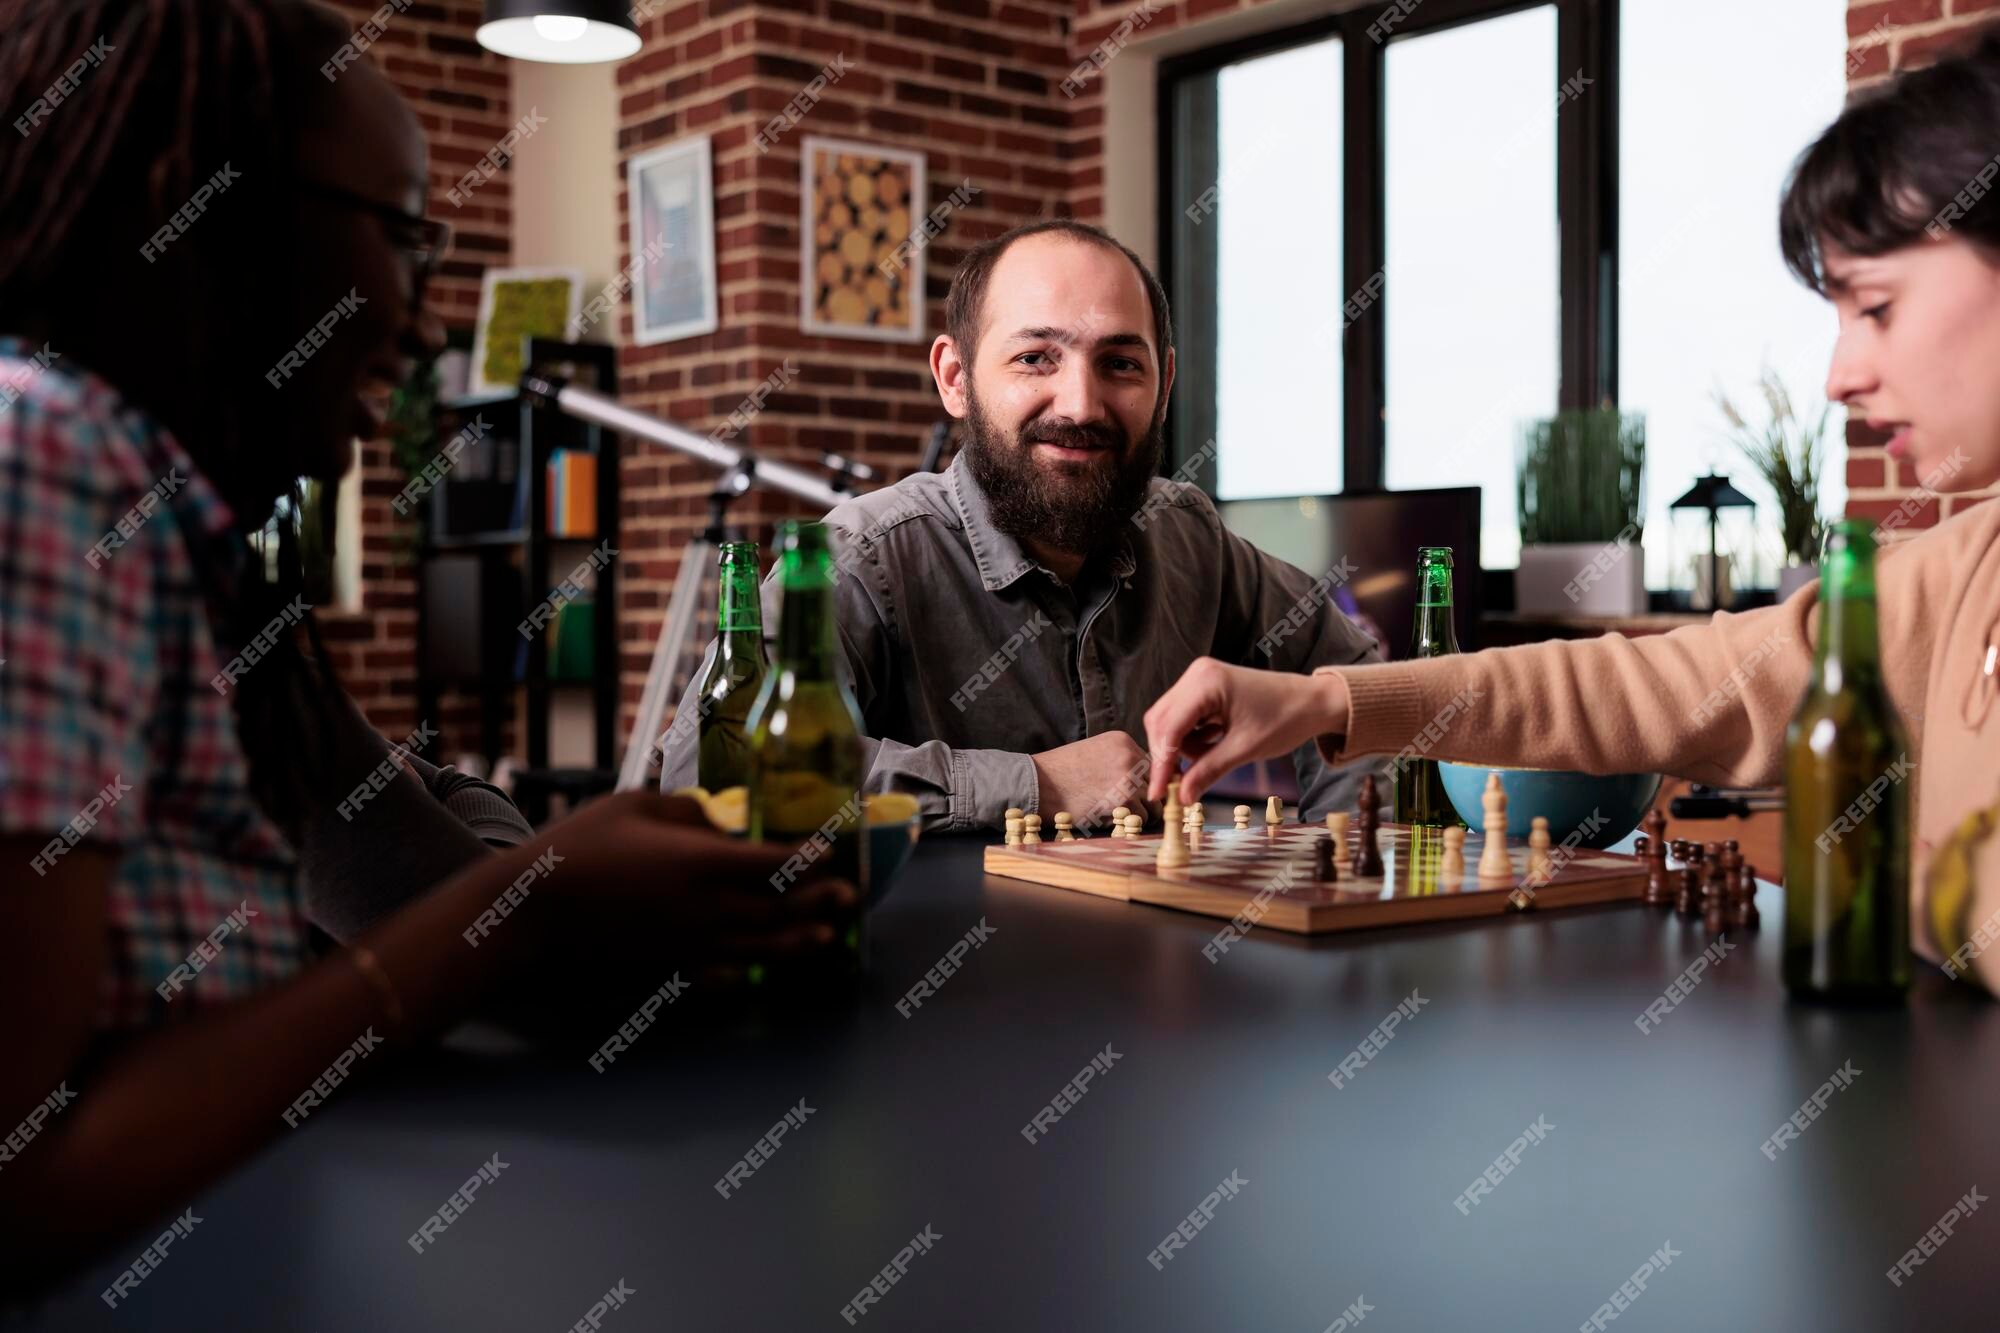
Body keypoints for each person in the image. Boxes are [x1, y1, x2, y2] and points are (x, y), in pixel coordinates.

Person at [0, 0, 852, 1282]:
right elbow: (22, 1180)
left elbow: (411, 879)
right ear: (204, 212)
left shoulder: (192, 551)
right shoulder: (44, 452)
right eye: (403, 234)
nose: (422, 324)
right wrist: (528, 905)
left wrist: (567, 898)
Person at [1140, 25, 2000, 995]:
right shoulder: (1962, 564)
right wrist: (1324, 700)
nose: (1839, 376)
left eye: (1874, 307)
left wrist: (1898, 877)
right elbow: (1670, 683)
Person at [661, 220, 1387, 830]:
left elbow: (1362, 683)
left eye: (1120, 364)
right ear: (955, 377)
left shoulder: (1189, 535)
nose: (1080, 403)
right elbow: (708, 769)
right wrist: (1032, 784)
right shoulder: (865, 556)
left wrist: (1331, 855)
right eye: (1035, 357)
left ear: (1163, 384)